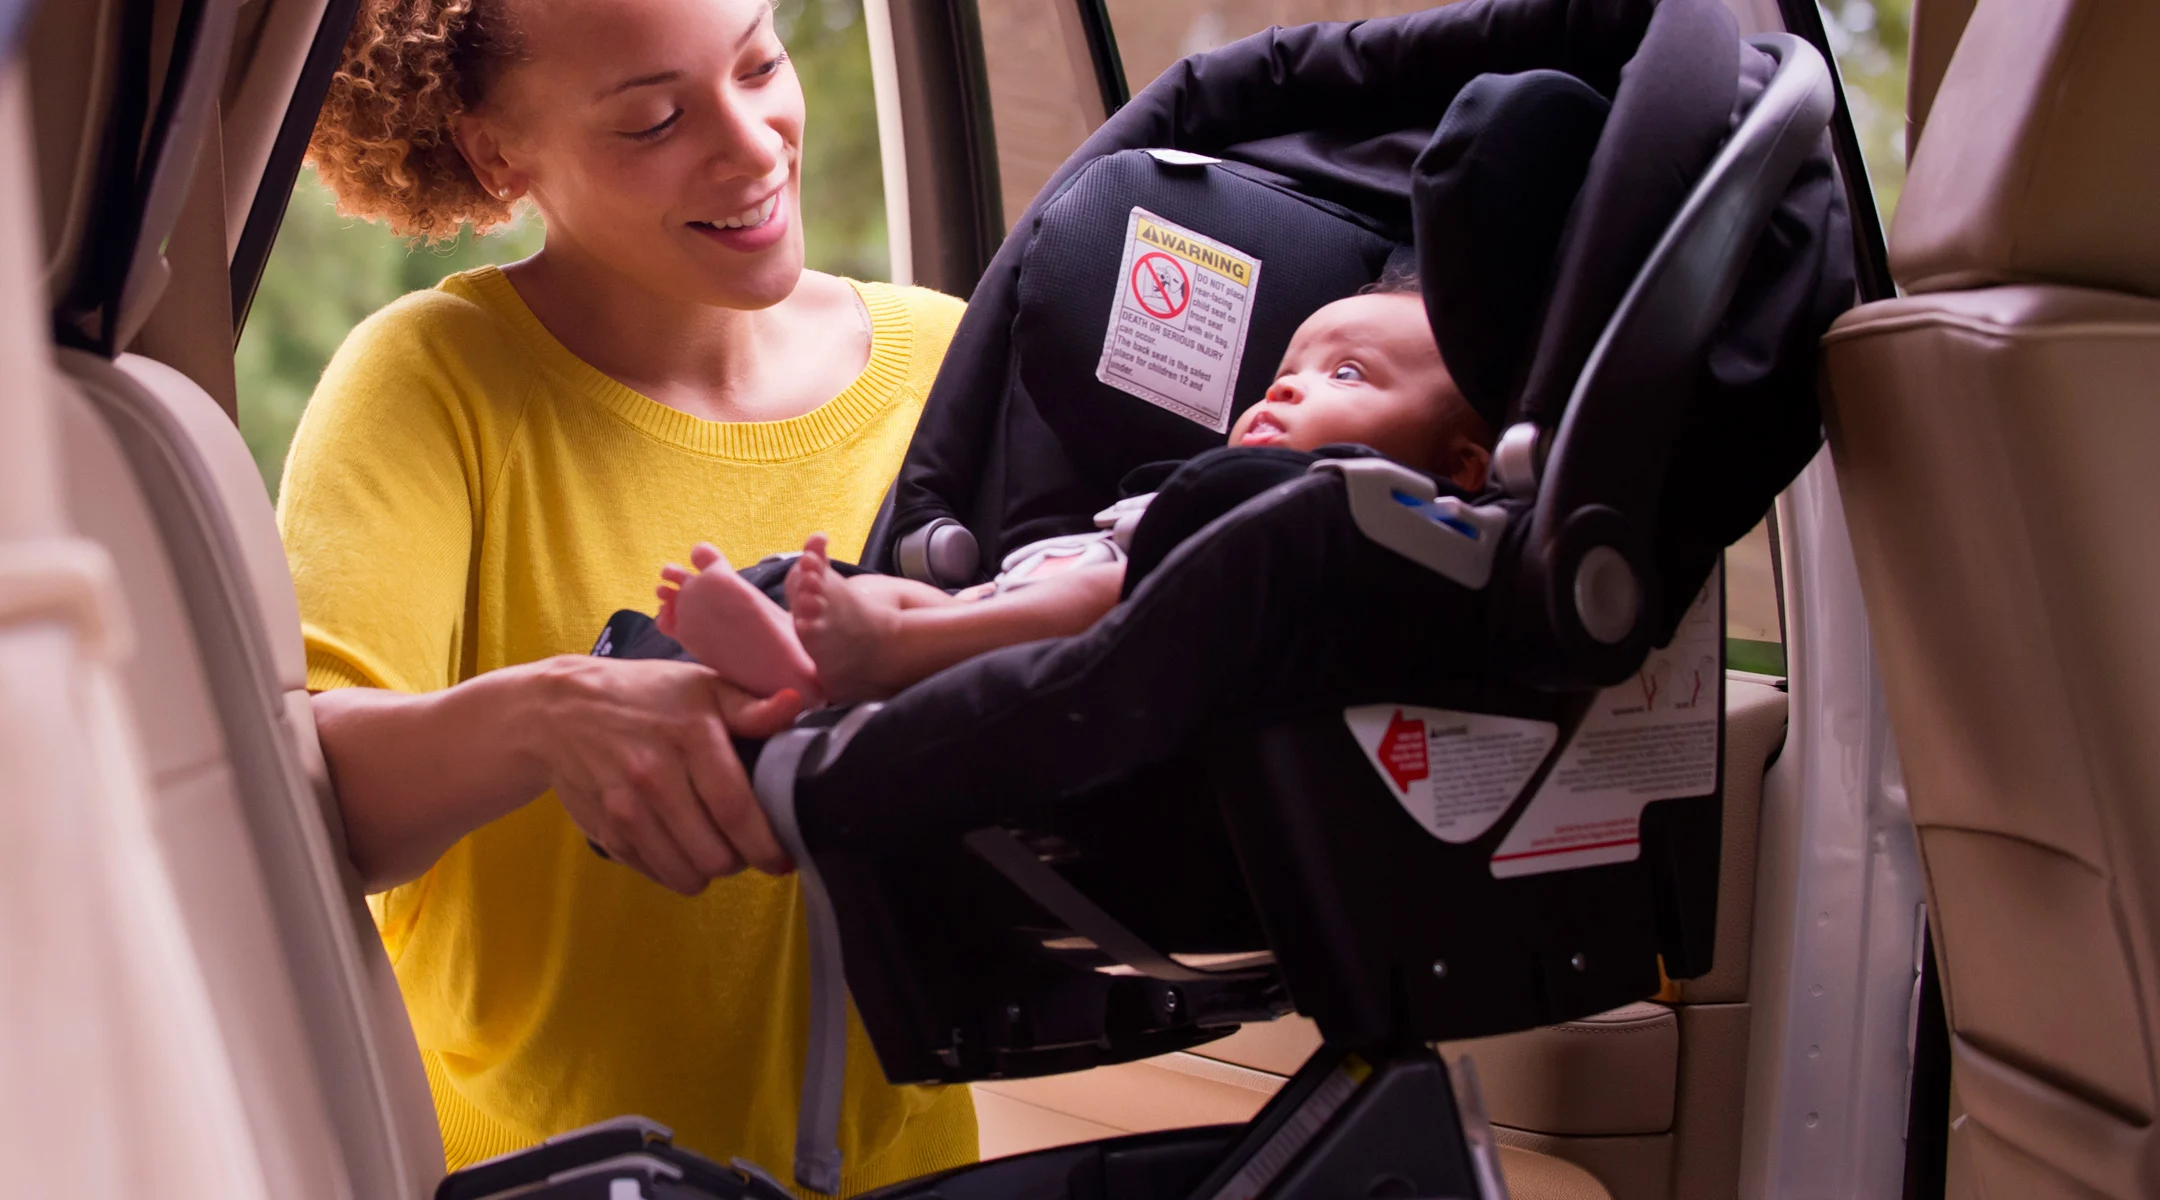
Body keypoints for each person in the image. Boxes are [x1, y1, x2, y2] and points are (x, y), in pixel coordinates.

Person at [279, 0, 976, 1187]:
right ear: (500, 154)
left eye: (762, 63)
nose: (754, 146)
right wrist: (553, 716)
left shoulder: (952, 364)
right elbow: (303, 794)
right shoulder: (434, 385)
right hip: (539, 1178)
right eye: (656, 120)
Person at [654, 282, 1493, 706]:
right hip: (1057, 576)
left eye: (1347, 374)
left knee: (1107, 590)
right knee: (899, 586)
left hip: (1131, 608)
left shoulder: (1416, 523)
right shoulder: (1252, 479)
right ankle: (801, 649)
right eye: (1284, 372)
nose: (1284, 391)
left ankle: (880, 654)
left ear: (1461, 464)